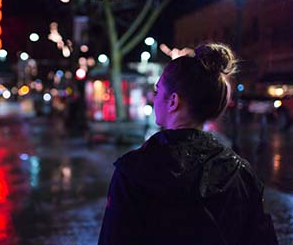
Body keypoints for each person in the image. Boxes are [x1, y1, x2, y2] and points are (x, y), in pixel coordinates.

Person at [98, 43, 278, 245]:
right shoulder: (241, 174)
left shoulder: (133, 172)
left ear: (173, 101)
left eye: (158, 91)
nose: (153, 97)